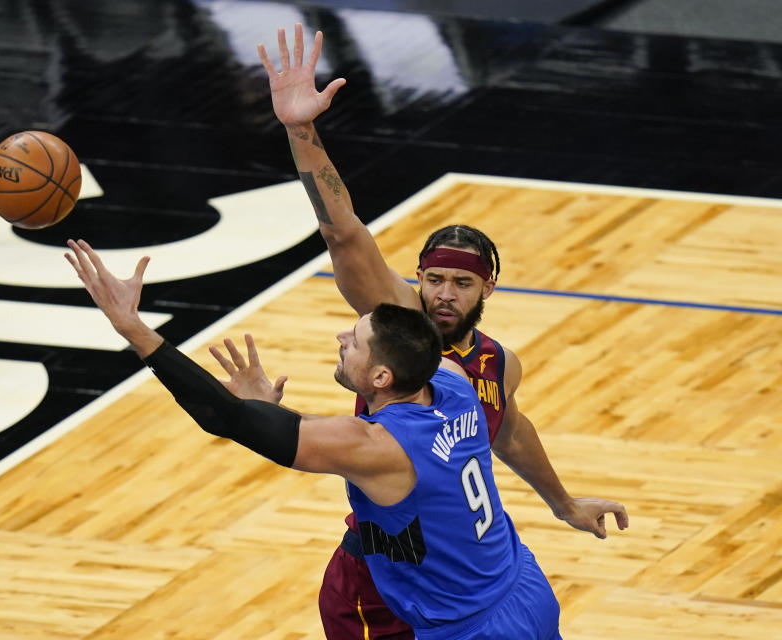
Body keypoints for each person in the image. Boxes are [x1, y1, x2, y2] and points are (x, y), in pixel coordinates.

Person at [258, 24, 628, 639]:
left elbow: (508, 430)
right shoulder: (395, 318)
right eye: (433, 279)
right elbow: (343, 230)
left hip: (467, 574)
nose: (442, 295)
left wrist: (563, 503)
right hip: (385, 573)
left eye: (460, 284)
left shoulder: (496, 363)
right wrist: (302, 131)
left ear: (488, 290)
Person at [64, 238, 562, 639]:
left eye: (356, 342)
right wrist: (260, 413)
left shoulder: (374, 446)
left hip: (468, 628)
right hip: (522, 587)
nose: (342, 340)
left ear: (382, 378)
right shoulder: (454, 380)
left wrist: (132, 327)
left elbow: (228, 419)